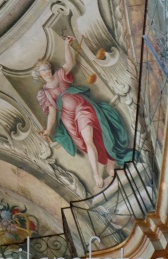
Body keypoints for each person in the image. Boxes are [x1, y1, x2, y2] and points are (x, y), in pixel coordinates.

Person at [34, 36, 133, 191]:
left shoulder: (60, 75)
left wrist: (67, 45)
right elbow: (52, 113)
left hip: (82, 108)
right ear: (39, 74)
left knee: (89, 139)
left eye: (47, 68)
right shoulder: (44, 93)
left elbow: (70, 63)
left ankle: (96, 175)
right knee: (86, 143)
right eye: (42, 70)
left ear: (51, 69)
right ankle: (108, 164)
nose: (46, 71)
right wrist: (47, 130)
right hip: (68, 119)